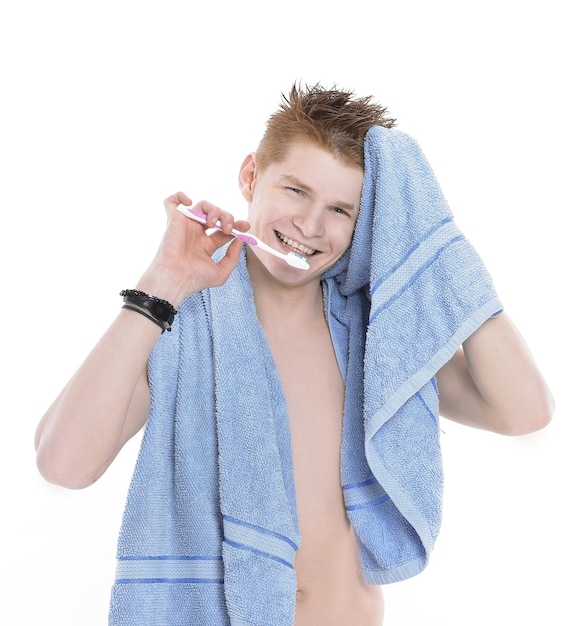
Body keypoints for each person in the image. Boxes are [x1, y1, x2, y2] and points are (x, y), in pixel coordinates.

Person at [35, 83, 554, 626]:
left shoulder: (377, 340)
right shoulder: (180, 325)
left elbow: (524, 411)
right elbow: (63, 464)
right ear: (250, 176)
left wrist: (436, 244)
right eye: (296, 191)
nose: (309, 226)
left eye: (340, 209)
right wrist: (161, 284)